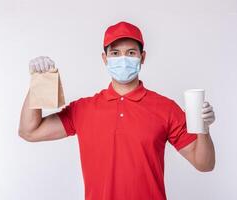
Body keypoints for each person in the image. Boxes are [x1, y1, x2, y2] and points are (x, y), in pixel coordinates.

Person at [19, 21, 216, 200]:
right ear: (105, 58)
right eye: (115, 53)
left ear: (142, 57)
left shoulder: (166, 109)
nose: (123, 59)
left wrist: (203, 130)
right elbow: (30, 131)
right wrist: (39, 83)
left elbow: (204, 164)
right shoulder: (83, 109)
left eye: (131, 53)